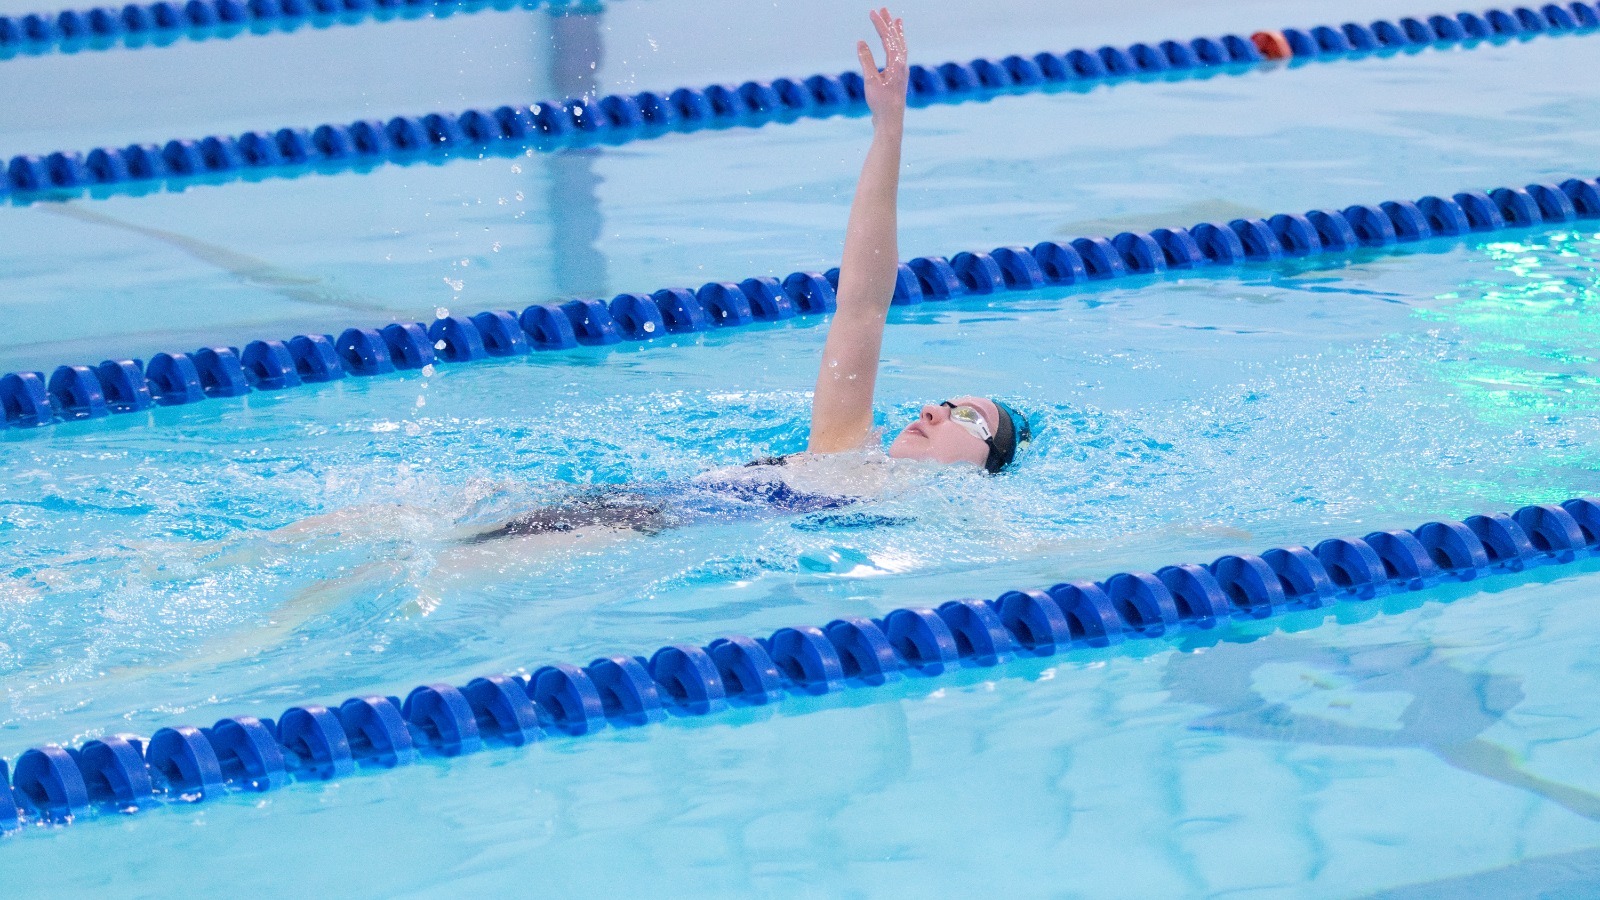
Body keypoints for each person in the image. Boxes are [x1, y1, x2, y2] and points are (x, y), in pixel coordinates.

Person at [473, 8, 1031, 543]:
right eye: (945, 403)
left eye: (965, 417)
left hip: (617, 535)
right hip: (609, 511)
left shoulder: (890, 495)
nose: (931, 410)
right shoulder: (843, 450)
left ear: (984, 465)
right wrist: (889, 128)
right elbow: (862, 304)